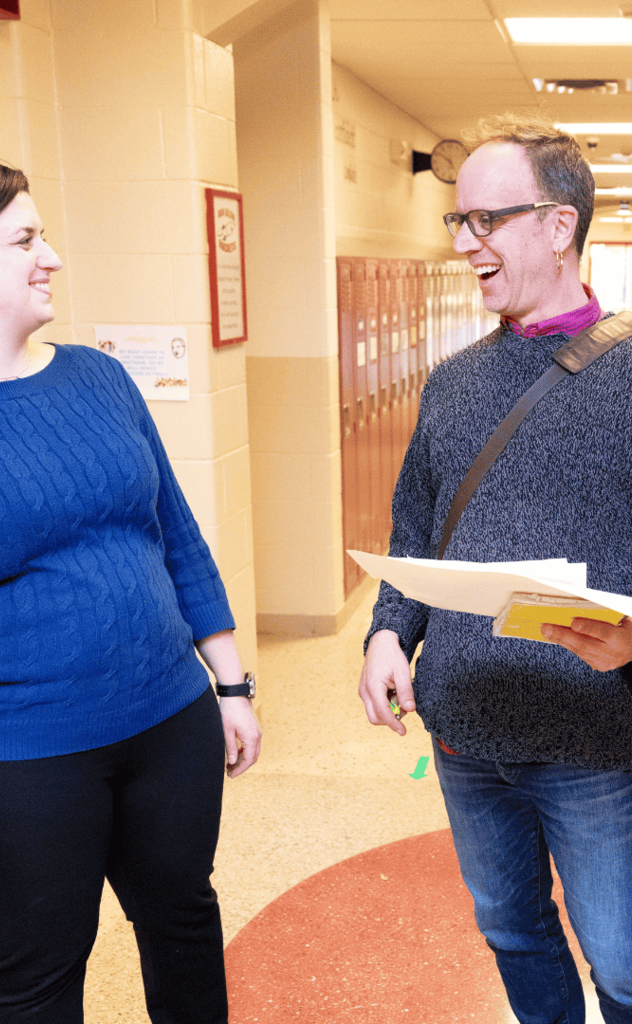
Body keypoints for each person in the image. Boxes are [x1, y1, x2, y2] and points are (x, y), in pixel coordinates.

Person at [357, 114, 632, 1024]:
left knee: (623, 957)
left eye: (486, 221)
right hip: (465, 725)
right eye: (459, 222)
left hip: (587, 736)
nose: (465, 244)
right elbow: (417, 530)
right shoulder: (449, 383)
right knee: (512, 929)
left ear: (558, 226)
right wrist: (385, 631)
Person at [0, 164, 262, 1023]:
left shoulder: (98, 378)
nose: (53, 259)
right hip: (31, 751)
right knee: (41, 968)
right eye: (26, 241)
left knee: (184, 919)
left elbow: (175, 531)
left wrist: (230, 682)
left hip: (170, 717)